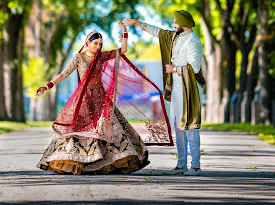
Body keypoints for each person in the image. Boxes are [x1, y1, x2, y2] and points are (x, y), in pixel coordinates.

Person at [36, 20, 172, 175]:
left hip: (100, 98)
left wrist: (125, 32)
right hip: (84, 99)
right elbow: (64, 74)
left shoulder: (102, 56)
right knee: (78, 130)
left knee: (111, 127)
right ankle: (76, 161)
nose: (98, 46)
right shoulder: (78, 58)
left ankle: (107, 162)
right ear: (87, 42)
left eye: (100, 43)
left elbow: (123, 50)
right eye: (95, 43)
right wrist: (47, 86)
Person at [123, 10, 205, 176]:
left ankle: (195, 166)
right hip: (176, 88)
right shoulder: (176, 36)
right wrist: (136, 23)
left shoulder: (193, 41)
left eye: (175, 23)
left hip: (189, 90)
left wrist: (174, 69)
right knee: (177, 126)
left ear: (183, 24)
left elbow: (195, 68)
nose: (173, 25)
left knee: (190, 126)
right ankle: (181, 164)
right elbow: (157, 32)